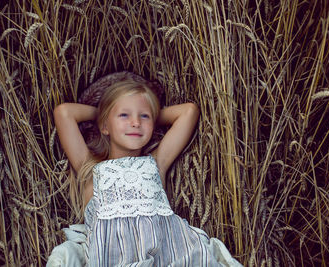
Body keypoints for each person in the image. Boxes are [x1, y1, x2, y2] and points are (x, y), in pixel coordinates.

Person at [47, 75, 242, 267]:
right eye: (124, 115)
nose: (136, 123)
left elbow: (189, 112)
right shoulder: (90, 168)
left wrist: (149, 113)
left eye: (144, 116)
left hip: (169, 255)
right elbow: (64, 112)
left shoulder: (157, 162)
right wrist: (105, 111)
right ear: (105, 125)